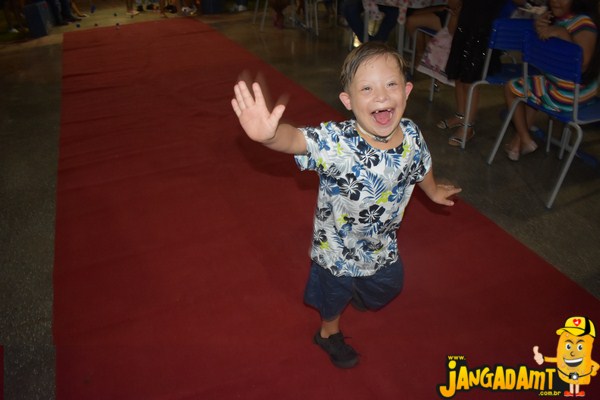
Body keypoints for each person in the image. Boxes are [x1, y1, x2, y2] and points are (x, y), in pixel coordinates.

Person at [231, 42, 461, 368]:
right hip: (336, 249)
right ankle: (328, 333)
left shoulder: (411, 134)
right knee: (334, 298)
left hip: (382, 243)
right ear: (348, 101)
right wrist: (270, 137)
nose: (381, 96)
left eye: (391, 84)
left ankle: (360, 290)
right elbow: (298, 140)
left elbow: (420, 165)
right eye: (367, 88)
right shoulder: (337, 142)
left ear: (407, 91)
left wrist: (434, 190)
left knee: (389, 286)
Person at [504, 0, 600, 161]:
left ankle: (524, 138)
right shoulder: (558, 19)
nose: (556, 1)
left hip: (571, 94)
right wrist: (539, 29)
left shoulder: (584, 23)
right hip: (565, 89)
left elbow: (583, 64)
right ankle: (518, 142)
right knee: (533, 89)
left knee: (511, 88)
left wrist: (562, 34)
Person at [436, 0, 507, 147]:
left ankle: (468, 126)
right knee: (458, 74)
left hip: (483, 29)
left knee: (470, 80)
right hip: (466, 24)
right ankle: (461, 115)